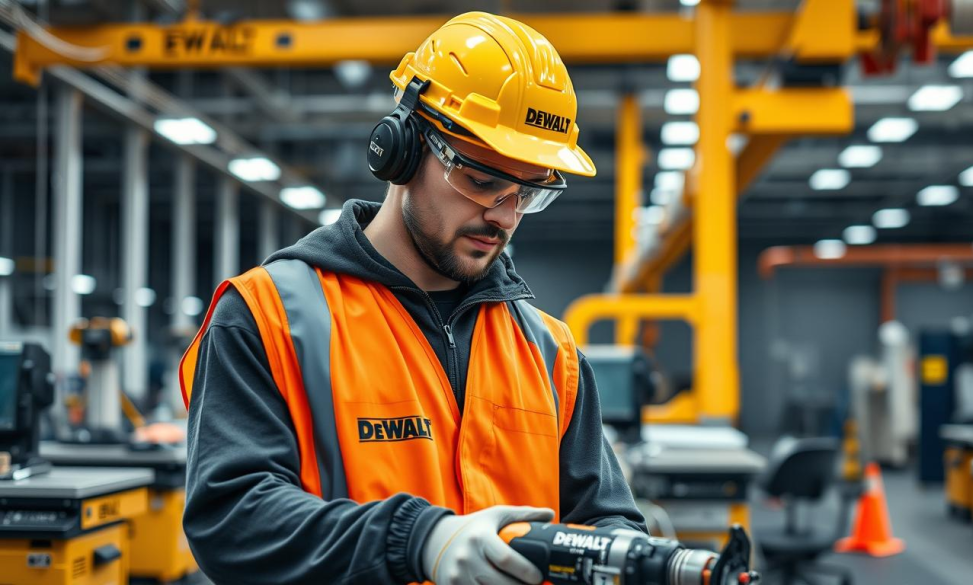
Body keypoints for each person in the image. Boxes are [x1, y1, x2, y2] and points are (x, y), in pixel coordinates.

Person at [179, 11, 646, 585]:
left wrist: (631, 557)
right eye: (483, 182)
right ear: (401, 149)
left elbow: (601, 514)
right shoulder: (269, 316)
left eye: (528, 194)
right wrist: (417, 540)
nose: (504, 216)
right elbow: (231, 518)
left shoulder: (548, 350)